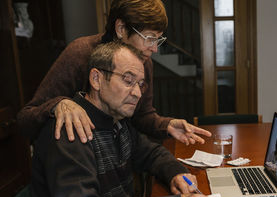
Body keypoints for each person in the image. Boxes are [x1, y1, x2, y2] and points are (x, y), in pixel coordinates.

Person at [30, 41, 219, 197]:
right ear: (96, 79)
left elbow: (151, 153)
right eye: (128, 80)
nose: (137, 93)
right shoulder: (69, 130)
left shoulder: (117, 120)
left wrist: (177, 173)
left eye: (140, 84)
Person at [17, 0, 210, 145]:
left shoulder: (144, 61)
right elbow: (26, 119)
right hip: (76, 159)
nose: (154, 49)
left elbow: (142, 116)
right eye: (150, 38)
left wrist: (166, 125)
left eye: (158, 39)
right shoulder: (80, 53)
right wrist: (58, 104)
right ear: (121, 29)